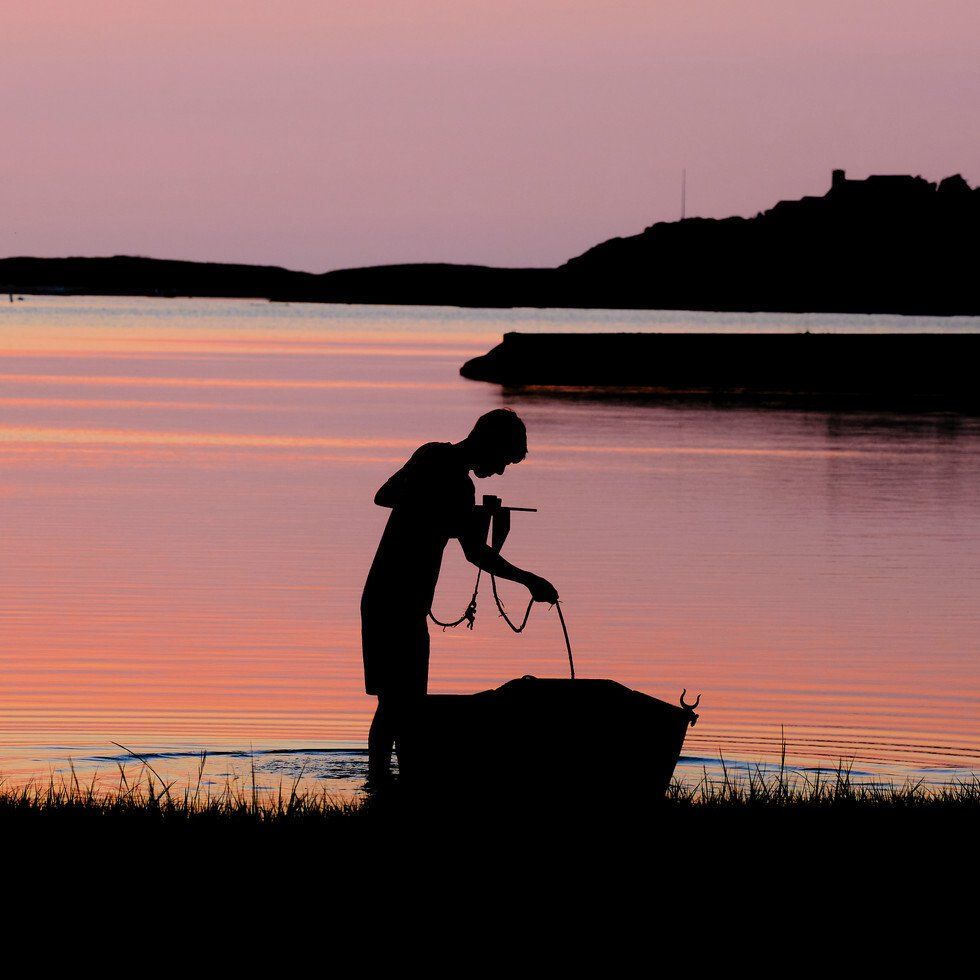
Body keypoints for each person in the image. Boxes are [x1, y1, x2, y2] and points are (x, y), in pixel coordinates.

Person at [360, 409, 559, 788]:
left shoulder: (442, 468)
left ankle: (388, 780)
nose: (500, 471)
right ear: (488, 443)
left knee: (400, 703)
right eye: (502, 460)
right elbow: (386, 497)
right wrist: (529, 579)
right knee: (400, 703)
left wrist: (461, 517)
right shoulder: (440, 464)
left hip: (397, 599)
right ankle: (384, 782)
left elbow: (463, 543)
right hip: (392, 599)